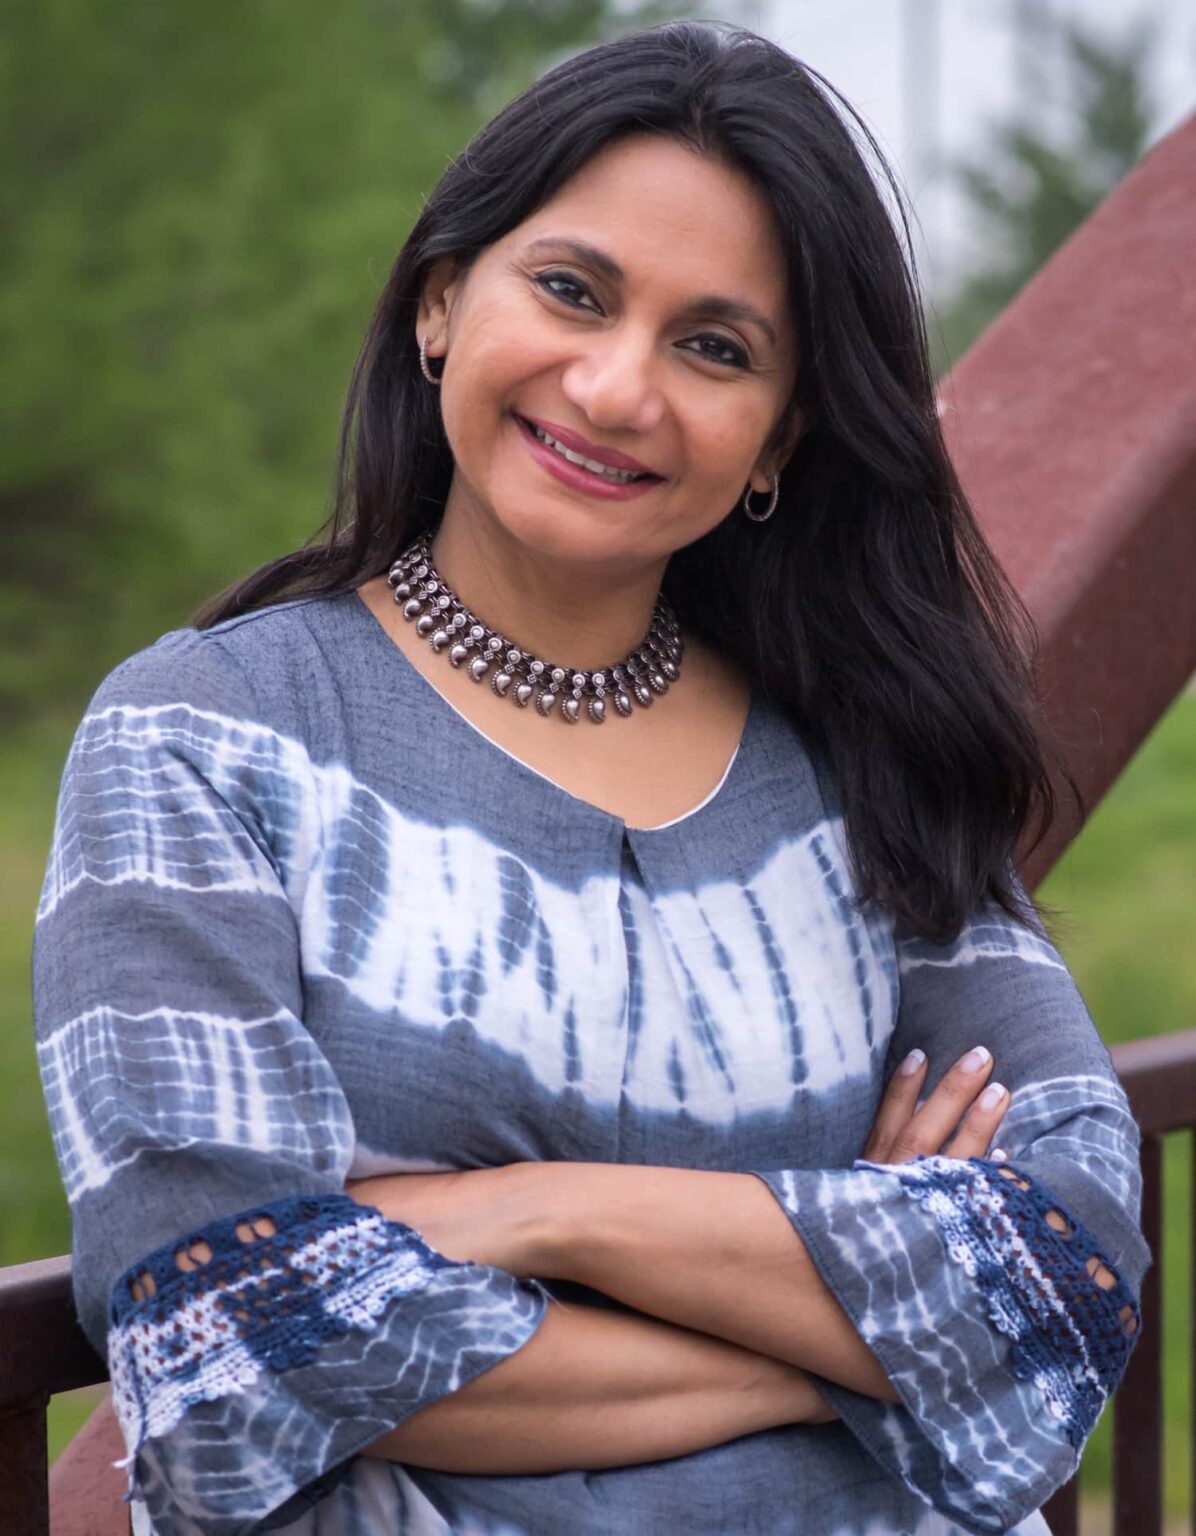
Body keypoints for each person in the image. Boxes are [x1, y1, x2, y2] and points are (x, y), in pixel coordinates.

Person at [32, 19, 1146, 1536]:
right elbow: (236, 1352)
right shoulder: (209, 742)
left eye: (716, 346)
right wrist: (875, 1331)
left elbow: (1067, 1277)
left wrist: (536, 1216)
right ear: (441, 303)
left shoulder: (868, 754)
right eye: (570, 290)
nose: (618, 389)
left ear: (779, 438)